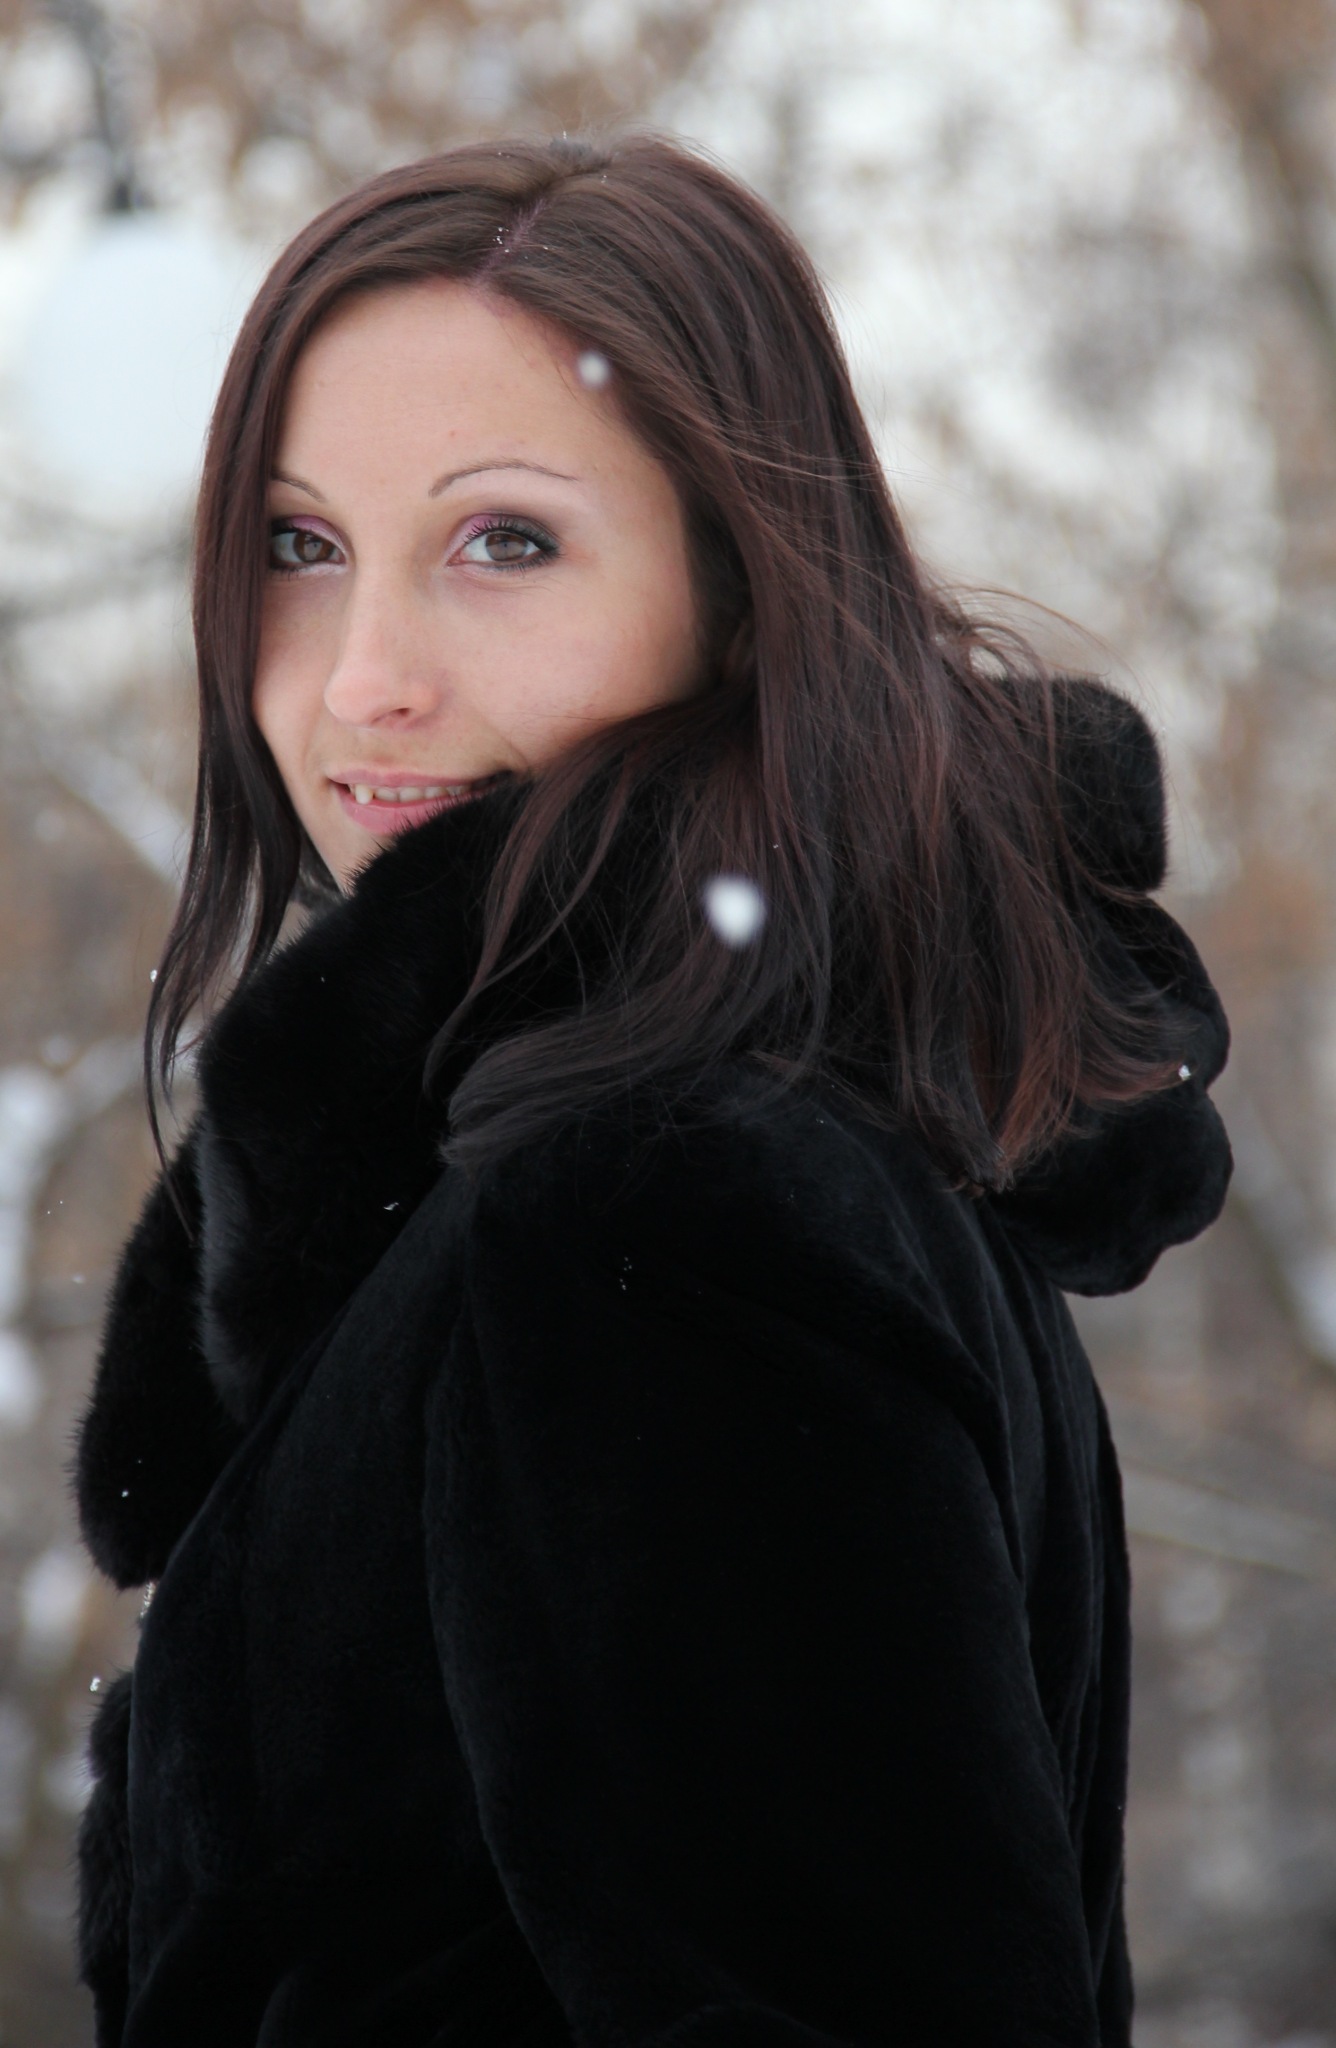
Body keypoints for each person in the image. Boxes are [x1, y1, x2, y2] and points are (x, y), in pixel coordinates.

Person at [71, 133, 1232, 2048]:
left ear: (742, 594)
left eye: (504, 541)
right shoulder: (702, 1160)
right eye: (299, 546)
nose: (361, 677)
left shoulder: (651, 1215)